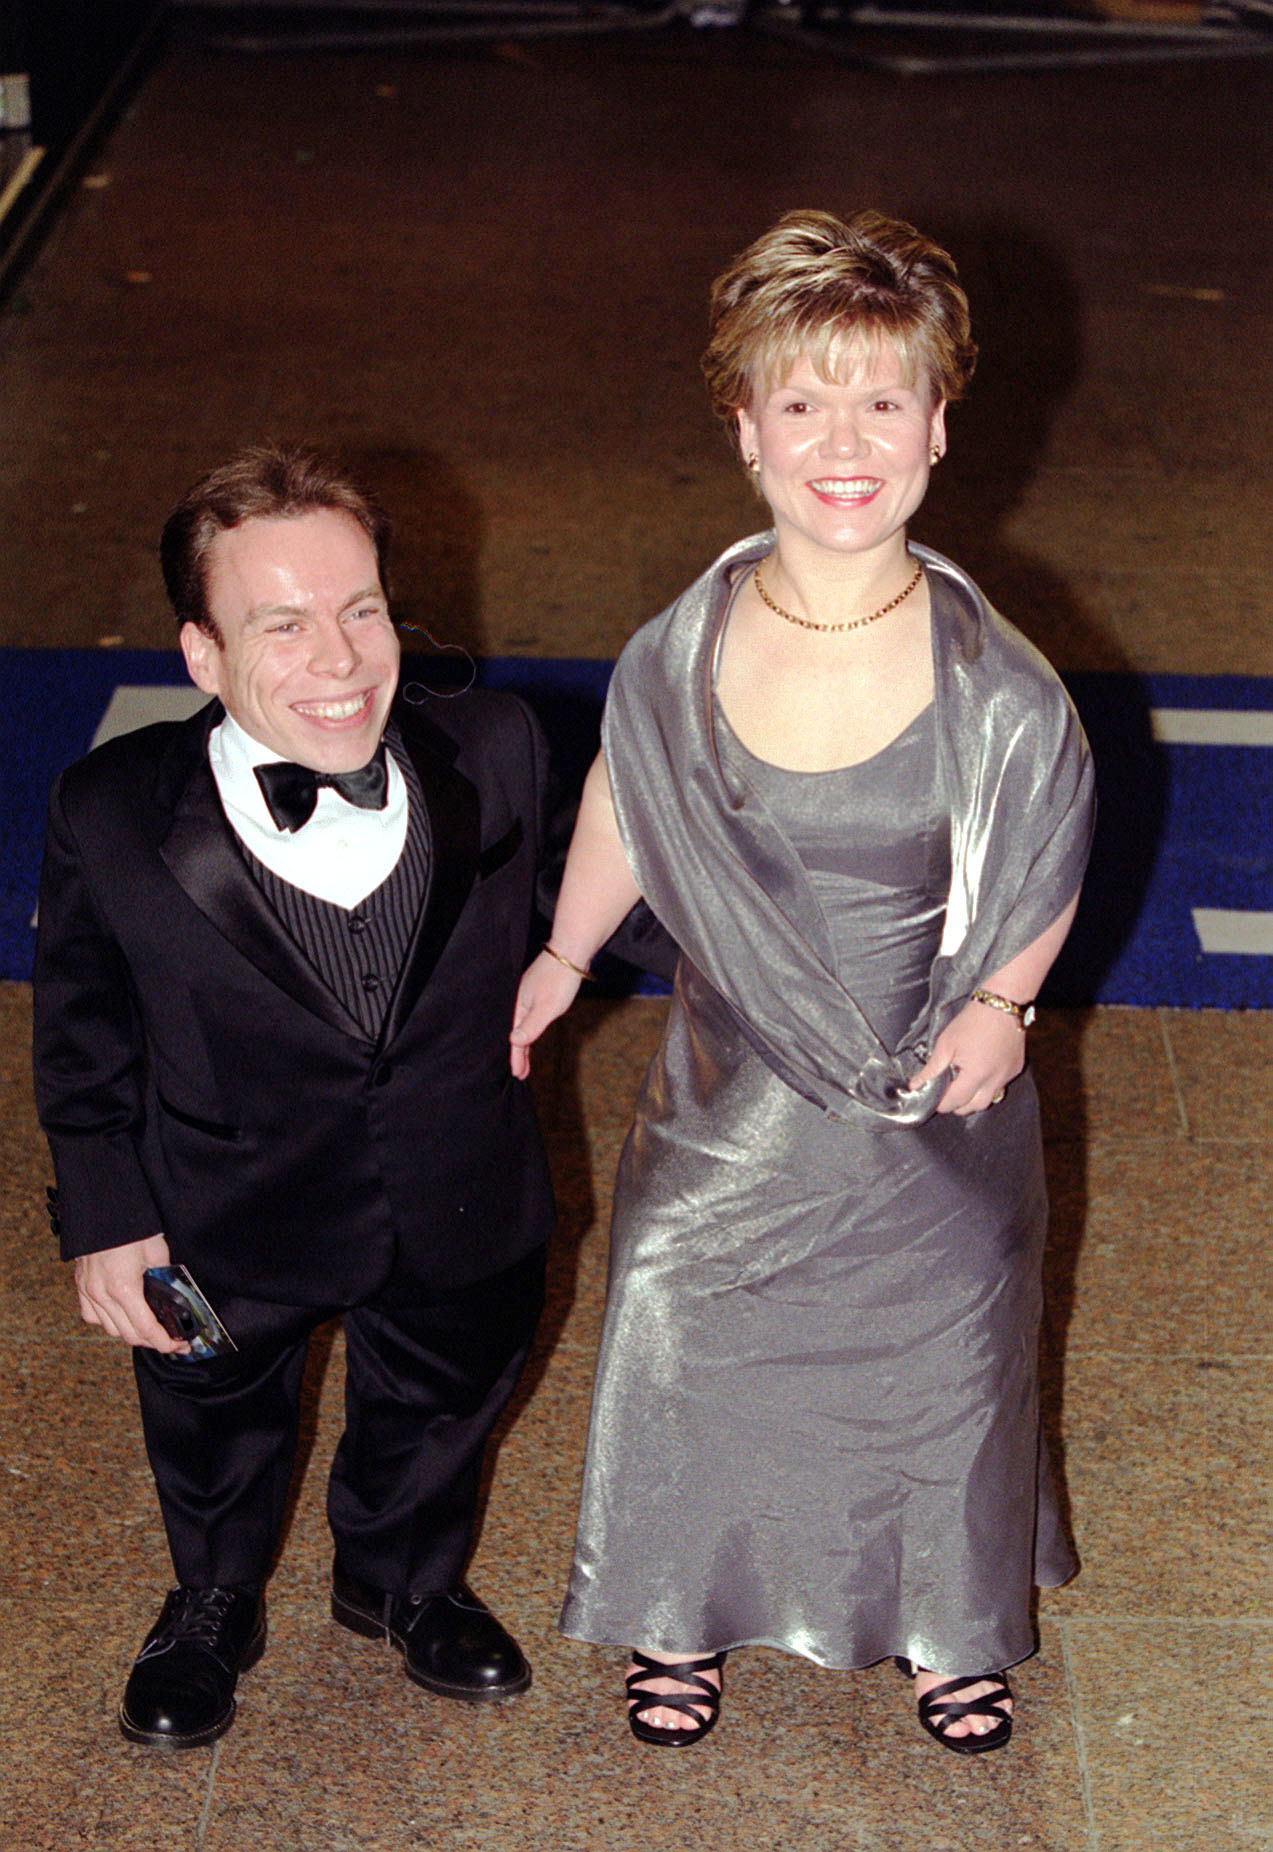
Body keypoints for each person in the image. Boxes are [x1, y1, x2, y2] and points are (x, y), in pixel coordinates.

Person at [510, 209, 1096, 1757]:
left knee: (946, 1345)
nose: (845, 442)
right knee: (675, 1305)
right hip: (731, 1097)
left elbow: (1046, 851)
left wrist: (1005, 1004)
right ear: (746, 430)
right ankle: (675, 1602)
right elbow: (624, 808)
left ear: (937, 427)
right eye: (802, 401)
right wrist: (563, 957)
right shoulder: (678, 652)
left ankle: (949, 1623)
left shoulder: (993, 675)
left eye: (882, 400)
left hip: (927, 1098)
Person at [33, 443, 559, 1749]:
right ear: (203, 654)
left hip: (457, 1184)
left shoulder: (492, 749)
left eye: (361, 609)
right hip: (217, 1208)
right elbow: (83, 1034)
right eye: (282, 623)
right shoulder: (109, 810)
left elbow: (607, 896)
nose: (339, 659)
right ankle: (213, 1600)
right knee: (212, 1422)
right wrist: (104, 1220)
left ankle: (401, 1583)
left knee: (439, 1409)